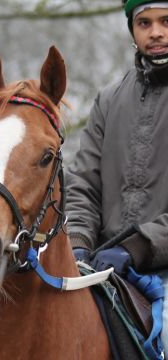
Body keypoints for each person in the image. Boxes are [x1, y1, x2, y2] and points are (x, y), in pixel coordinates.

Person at [65, 0, 168, 357]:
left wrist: (135, 248)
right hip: (102, 269)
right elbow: (83, 185)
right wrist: (77, 245)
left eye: (166, 21)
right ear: (132, 31)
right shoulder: (107, 101)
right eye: (144, 23)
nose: (155, 32)